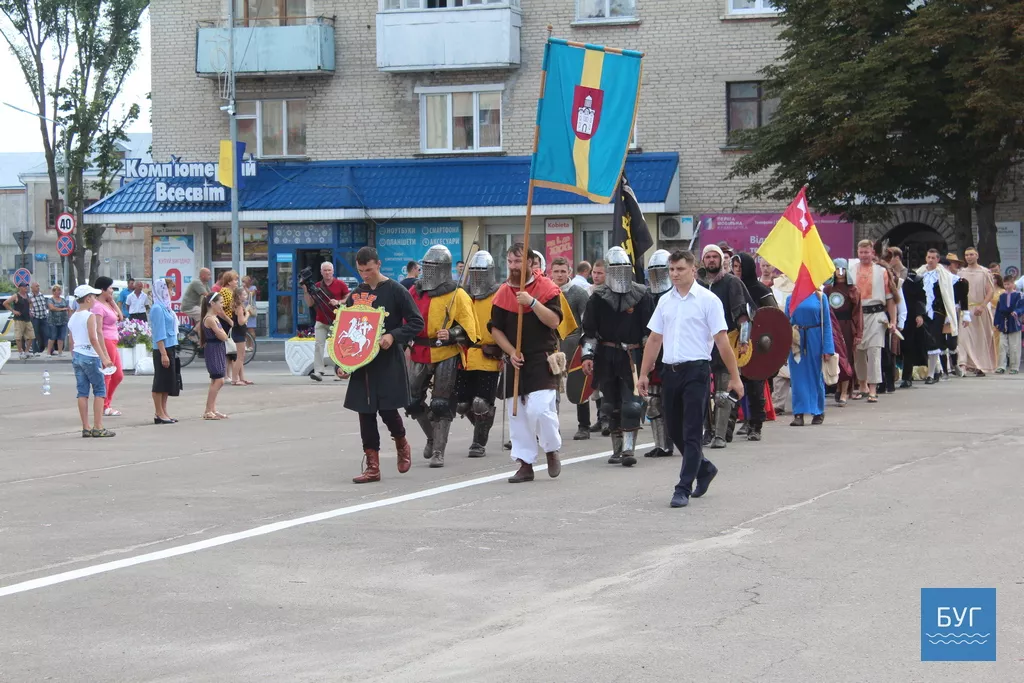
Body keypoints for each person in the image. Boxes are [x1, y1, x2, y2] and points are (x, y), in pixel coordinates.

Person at [638, 250, 743, 509]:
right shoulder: (664, 301)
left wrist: (735, 377)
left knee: (692, 431)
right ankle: (704, 468)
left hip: (696, 371)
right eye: (671, 270)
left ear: (693, 270)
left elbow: (722, 342)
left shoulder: (708, 301)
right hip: (669, 371)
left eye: (680, 269)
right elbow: (654, 339)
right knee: (673, 430)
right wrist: (643, 373)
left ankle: (683, 487)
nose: (674, 274)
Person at [340, 247, 425, 484]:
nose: (364, 275)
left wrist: (394, 336)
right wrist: (342, 363)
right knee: (365, 414)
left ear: (378, 264)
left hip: (387, 360)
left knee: (388, 411)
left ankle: (401, 443)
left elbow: (417, 322)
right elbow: (344, 331)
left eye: (368, 270)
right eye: (360, 271)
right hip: (361, 363)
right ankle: (373, 467)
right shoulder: (356, 295)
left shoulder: (397, 291)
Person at [488, 243, 563, 483]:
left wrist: (531, 302)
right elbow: (495, 329)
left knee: (539, 410)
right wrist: (510, 351)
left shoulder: (547, 288)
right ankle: (525, 463)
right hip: (515, 360)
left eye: (518, 262)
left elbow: (553, 321)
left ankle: (551, 449)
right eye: (510, 262)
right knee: (517, 414)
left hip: (542, 358)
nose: (513, 266)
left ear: (531, 263)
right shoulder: (502, 293)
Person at [579, 247, 654, 467]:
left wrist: (648, 360)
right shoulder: (597, 298)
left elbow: (649, 332)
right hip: (606, 355)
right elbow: (589, 331)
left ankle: (629, 449)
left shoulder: (641, 296)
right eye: (616, 269)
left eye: (624, 268)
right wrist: (587, 356)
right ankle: (617, 449)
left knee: (631, 404)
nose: (620, 273)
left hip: (632, 355)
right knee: (610, 405)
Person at [407, 245, 479, 468]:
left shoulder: (457, 294)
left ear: (443, 269)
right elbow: (405, 320)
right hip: (419, 350)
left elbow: (470, 329)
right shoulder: (414, 292)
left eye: (432, 266)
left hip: (445, 352)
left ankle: (439, 449)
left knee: (440, 403)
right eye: (425, 266)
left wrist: (452, 333)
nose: (427, 270)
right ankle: (431, 435)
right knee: (411, 401)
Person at [700, 244, 751, 448]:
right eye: (708, 257)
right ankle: (706, 432)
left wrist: (744, 341)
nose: (711, 260)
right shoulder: (698, 284)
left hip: (725, 342)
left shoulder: (731, 283)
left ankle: (720, 435)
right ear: (703, 260)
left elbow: (743, 317)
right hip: (701, 344)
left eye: (715, 257)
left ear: (721, 260)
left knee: (722, 393)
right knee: (702, 393)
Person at [457, 250, 504, 456]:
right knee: (461, 404)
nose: (477, 275)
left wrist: (505, 352)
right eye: (473, 270)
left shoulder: (499, 294)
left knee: (481, 402)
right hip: (465, 355)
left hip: (489, 355)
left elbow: (506, 325)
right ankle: (483, 422)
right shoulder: (462, 294)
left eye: (481, 270)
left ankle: (479, 443)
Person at [732, 251, 777, 440]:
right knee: (732, 386)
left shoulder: (760, 290)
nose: (737, 270)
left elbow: (773, 317)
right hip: (733, 342)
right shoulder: (730, 288)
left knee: (754, 386)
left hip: (756, 344)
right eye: (734, 267)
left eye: (740, 267)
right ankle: (728, 427)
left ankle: (755, 425)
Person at [849, 240, 896, 403]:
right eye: (861, 252)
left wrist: (893, 320)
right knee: (859, 352)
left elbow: (891, 298)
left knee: (874, 351)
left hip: (877, 315)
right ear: (857, 253)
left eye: (867, 252)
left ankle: (873, 389)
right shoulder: (851, 270)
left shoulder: (881, 271)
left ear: (872, 253)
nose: (864, 255)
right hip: (857, 315)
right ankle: (863, 385)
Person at [550, 256, 591, 440]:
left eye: (562, 271)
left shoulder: (579, 293)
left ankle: (584, 426)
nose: (559, 275)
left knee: (578, 386)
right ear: (551, 272)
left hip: (574, 345)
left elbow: (586, 322)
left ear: (569, 272)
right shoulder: (546, 291)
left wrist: (584, 346)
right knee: (551, 389)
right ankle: (552, 427)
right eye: (556, 271)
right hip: (552, 345)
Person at [68, 284, 115, 438]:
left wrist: (73, 354)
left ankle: (85, 427)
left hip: (77, 355)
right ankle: (98, 426)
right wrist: (104, 358)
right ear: (88, 299)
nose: (95, 299)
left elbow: (71, 340)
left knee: (82, 392)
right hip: (90, 356)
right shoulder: (90, 316)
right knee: (100, 390)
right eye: (94, 297)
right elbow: (94, 338)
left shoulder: (73, 317)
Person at [642, 249, 675, 458]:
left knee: (675, 403)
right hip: (654, 354)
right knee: (653, 402)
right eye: (653, 272)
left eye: (660, 271)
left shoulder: (677, 296)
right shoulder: (645, 297)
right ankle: (661, 444)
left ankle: (683, 441)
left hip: (674, 355)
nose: (657, 276)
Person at [787, 290, 835, 426]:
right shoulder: (791, 298)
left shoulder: (820, 297)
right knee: (797, 378)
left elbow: (826, 323)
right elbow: (785, 322)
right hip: (796, 340)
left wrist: (828, 348)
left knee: (816, 375)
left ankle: (818, 411)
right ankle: (798, 413)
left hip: (815, 338)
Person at [916, 249, 960, 384]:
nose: (930, 260)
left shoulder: (944, 275)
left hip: (937, 311)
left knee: (934, 341)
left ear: (938, 259)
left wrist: (950, 313)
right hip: (923, 312)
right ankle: (936, 371)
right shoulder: (920, 274)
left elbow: (952, 293)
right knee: (925, 341)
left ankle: (931, 374)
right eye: (928, 257)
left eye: (933, 258)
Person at [303, 261, 349, 382]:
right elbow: (310, 303)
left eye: (329, 270)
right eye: (325, 270)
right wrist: (306, 290)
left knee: (338, 347)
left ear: (333, 271)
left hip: (337, 320)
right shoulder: (317, 285)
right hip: (321, 320)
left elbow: (348, 298)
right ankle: (318, 371)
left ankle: (340, 371)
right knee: (319, 345)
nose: (327, 272)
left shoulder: (340, 284)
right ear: (321, 272)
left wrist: (338, 302)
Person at [889, 249, 928, 389]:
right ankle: (891, 376)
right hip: (892, 312)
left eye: (891, 257)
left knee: (908, 345)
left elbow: (920, 297)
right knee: (891, 346)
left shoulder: (912, 276)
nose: (888, 260)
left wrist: (919, 314)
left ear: (898, 257)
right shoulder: (886, 274)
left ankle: (907, 376)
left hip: (910, 314)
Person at [824, 259, 861, 404]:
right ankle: (837, 388)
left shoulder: (853, 290)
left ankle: (845, 391)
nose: (840, 272)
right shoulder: (828, 290)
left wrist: (858, 333)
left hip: (846, 326)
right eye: (837, 269)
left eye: (842, 269)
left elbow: (857, 313)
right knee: (834, 357)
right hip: (831, 326)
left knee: (846, 358)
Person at [957, 247, 997, 376]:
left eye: (971, 254)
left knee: (980, 339)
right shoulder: (961, 273)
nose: (969, 257)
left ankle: (979, 366)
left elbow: (990, 291)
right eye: (967, 255)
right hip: (965, 309)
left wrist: (983, 306)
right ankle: (962, 365)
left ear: (977, 255)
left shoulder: (984, 272)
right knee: (963, 338)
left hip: (980, 310)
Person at [149, 278, 181, 424]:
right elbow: (158, 332)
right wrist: (163, 353)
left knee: (168, 382)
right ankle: (158, 413)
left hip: (170, 346)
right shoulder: (157, 308)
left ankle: (164, 411)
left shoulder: (166, 306)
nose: (171, 292)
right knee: (160, 382)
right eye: (169, 288)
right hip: (163, 348)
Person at [92, 277, 125, 418]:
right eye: (110, 288)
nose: (112, 290)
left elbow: (120, 317)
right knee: (108, 374)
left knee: (118, 375)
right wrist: (103, 353)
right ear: (103, 290)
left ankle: (107, 402)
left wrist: (111, 301)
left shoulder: (107, 304)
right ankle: (104, 406)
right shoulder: (97, 306)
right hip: (106, 340)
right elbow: (98, 329)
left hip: (113, 340)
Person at [199, 292, 231, 420]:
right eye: (220, 303)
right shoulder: (210, 319)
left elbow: (225, 333)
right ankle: (208, 410)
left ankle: (212, 409)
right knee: (219, 379)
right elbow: (223, 335)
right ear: (212, 303)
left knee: (216, 379)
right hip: (213, 349)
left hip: (218, 348)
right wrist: (223, 334)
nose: (222, 306)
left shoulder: (215, 317)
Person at [993, 278, 1023, 374]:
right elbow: (998, 310)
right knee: (1002, 345)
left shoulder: (1019, 295)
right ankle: (1001, 366)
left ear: (1013, 284)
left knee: (1014, 346)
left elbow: (1022, 307)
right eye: (1005, 284)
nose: (1007, 286)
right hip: (1003, 322)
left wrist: (1017, 312)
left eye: (1009, 284)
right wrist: (996, 322)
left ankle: (1014, 367)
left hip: (1014, 321)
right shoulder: (1002, 296)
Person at [230, 286, 253, 386]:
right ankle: (234, 379)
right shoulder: (239, 307)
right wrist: (247, 314)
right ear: (239, 296)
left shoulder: (239, 305)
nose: (246, 296)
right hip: (239, 333)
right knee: (240, 357)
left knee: (241, 357)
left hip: (239, 332)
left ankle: (242, 378)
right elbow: (241, 321)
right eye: (244, 294)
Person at [4, 283, 34, 360]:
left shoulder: (27, 296)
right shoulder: (16, 296)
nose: (25, 288)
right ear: (20, 288)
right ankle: (20, 352)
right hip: (19, 319)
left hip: (27, 319)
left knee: (31, 336)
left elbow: (31, 302)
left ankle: (27, 351)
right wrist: (13, 311)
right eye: (24, 287)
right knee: (18, 337)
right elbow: (5, 303)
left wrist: (30, 310)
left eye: (26, 287)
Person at [45, 285, 70, 357]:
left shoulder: (63, 300)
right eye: (57, 290)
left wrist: (69, 314)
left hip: (63, 321)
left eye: (60, 290)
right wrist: (62, 309)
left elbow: (68, 308)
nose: (59, 292)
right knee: (52, 337)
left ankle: (60, 352)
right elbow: (52, 308)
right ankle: (48, 352)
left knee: (61, 337)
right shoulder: (50, 300)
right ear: (53, 292)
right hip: (53, 321)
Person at [29, 281, 49, 355]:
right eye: (36, 286)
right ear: (32, 288)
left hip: (43, 317)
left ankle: (49, 350)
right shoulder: (30, 296)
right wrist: (31, 313)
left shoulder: (41, 295)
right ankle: (35, 350)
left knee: (46, 333)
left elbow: (44, 305)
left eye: (38, 286)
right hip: (35, 318)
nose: (38, 287)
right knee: (35, 334)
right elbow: (29, 306)